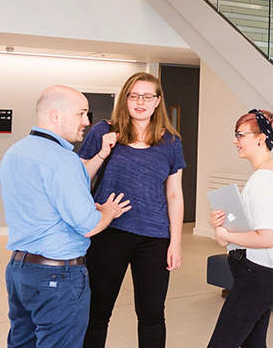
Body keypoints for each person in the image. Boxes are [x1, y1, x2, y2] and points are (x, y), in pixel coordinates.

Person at [0, 85, 132, 347]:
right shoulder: (63, 161)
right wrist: (108, 211)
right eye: (81, 114)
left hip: (20, 272)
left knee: (22, 342)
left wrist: (101, 155)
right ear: (56, 116)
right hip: (57, 277)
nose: (87, 122)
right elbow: (88, 226)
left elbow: (50, 196)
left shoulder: (15, 152)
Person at [78, 73, 187, 348]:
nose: (140, 102)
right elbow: (76, 179)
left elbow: (174, 194)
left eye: (147, 96)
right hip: (109, 232)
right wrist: (101, 155)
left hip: (154, 237)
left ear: (157, 101)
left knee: (152, 315)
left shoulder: (171, 142)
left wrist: (176, 242)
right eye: (134, 95)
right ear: (125, 98)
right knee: (97, 313)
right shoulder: (103, 131)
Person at [206, 109, 273, 348]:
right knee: (253, 343)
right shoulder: (272, 174)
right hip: (267, 276)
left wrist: (225, 234)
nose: (235, 141)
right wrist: (225, 227)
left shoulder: (262, 181)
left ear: (261, 138)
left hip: (256, 277)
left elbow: (266, 238)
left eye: (240, 135)